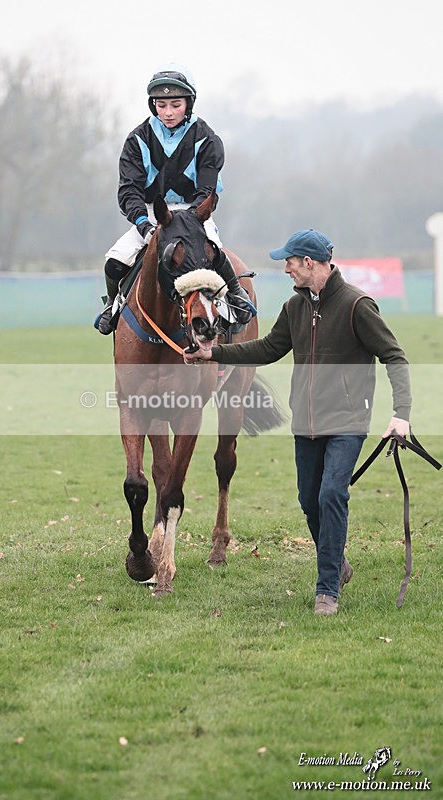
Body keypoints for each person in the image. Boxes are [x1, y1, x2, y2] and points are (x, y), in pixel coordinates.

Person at [183, 229, 412, 615]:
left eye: (289, 261)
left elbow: (395, 356)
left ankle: (327, 590)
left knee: (331, 495)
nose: (285, 268)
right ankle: (337, 564)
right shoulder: (294, 307)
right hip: (305, 422)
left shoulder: (358, 305)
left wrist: (401, 415)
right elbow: (269, 348)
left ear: (309, 262)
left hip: (347, 421)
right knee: (309, 500)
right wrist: (213, 353)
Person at [95, 62, 255, 334]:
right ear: (153, 105)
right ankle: (113, 303)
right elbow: (129, 190)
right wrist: (144, 223)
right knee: (114, 261)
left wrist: (192, 219)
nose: (168, 112)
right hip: (152, 213)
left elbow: (207, 188)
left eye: (175, 104)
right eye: (161, 104)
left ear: (189, 103)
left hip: (193, 212)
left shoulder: (206, 138)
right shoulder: (137, 139)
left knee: (213, 252)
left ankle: (236, 296)